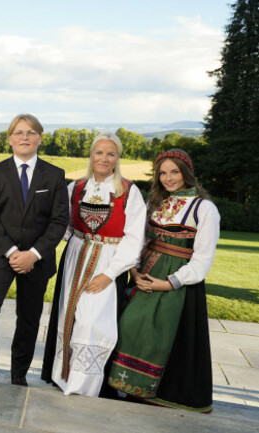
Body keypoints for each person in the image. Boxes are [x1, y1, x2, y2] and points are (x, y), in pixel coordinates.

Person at [0, 114, 69, 396]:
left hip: (37, 258)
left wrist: (32, 254)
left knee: (29, 316)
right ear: (9, 138)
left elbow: (58, 221)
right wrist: (11, 252)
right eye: (18, 132)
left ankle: (19, 374)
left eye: (30, 132)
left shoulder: (54, 175)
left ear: (40, 138)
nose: (24, 137)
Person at [107, 148, 219, 413]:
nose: (168, 178)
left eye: (174, 172)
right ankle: (127, 386)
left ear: (187, 173)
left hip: (176, 284)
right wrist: (134, 271)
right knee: (127, 325)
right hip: (144, 273)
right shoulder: (154, 203)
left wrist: (169, 283)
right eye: (163, 173)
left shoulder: (205, 209)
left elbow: (203, 259)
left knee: (161, 336)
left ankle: (157, 392)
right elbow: (139, 239)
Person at [41, 132, 146, 397]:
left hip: (108, 260)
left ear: (117, 158)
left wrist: (109, 275)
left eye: (111, 153)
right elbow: (63, 228)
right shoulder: (76, 188)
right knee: (69, 316)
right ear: (91, 155)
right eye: (99, 152)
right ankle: (63, 376)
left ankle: (87, 383)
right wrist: (37, 249)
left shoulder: (128, 191)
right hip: (76, 255)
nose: (104, 158)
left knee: (93, 321)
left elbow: (135, 239)